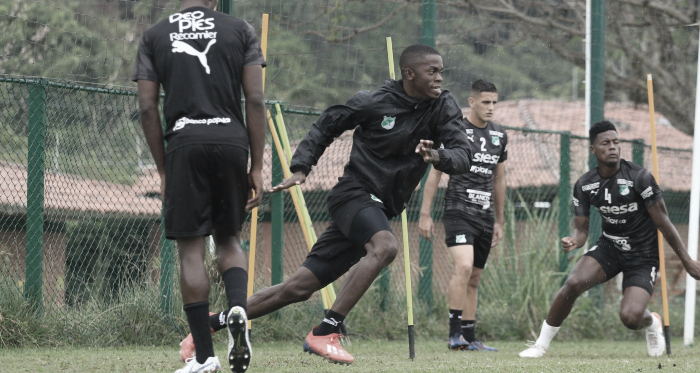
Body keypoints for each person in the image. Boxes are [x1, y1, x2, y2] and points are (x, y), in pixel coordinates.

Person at [180, 44, 472, 365]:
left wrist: (438, 156)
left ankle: (208, 324)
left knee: (297, 289)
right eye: (432, 71)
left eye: (441, 71)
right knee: (385, 247)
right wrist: (302, 167)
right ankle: (327, 330)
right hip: (354, 195)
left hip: (378, 209)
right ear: (409, 74)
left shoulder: (443, 106)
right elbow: (328, 123)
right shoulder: (374, 102)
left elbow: (463, 155)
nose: (439, 78)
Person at [133, 0, 266, 372]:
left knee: (191, 251)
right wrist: (256, 165)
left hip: (184, 145)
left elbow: (147, 107)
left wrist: (163, 167)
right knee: (229, 240)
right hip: (231, 143)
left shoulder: (154, 35)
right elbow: (255, 99)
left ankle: (205, 358)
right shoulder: (240, 29)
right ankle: (237, 307)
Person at [519, 120, 700, 358]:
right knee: (573, 283)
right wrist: (574, 240)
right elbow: (581, 230)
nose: (613, 147)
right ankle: (540, 345)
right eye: (606, 143)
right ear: (593, 149)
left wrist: (687, 260)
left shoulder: (641, 178)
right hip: (610, 247)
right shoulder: (585, 184)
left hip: (643, 255)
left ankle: (651, 322)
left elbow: (663, 221)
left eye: (616, 142)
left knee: (630, 318)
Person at [419, 79, 505, 351]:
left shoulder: (499, 136)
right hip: (458, 211)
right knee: (464, 267)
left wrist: (500, 220)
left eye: (494, 102)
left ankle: (469, 337)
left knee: (475, 277)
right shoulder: (457, 133)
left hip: (485, 216)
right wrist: (425, 213)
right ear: (472, 102)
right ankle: (454, 334)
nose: (491, 108)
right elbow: (435, 172)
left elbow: (499, 179)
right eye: (485, 102)